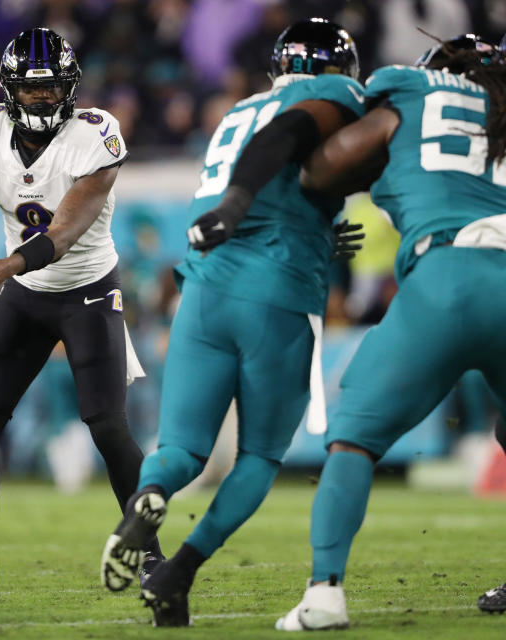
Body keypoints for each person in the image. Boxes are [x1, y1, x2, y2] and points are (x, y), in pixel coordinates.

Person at [99, 18, 367, 627]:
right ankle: (178, 570)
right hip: (274, 290)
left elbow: (280, 175)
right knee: (261, 456)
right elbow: (289, 140)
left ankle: (149, 497)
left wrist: (318, 230)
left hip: (201, 289)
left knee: (181, 448)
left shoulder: (237, 110)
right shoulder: (330, 95)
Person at [274, 35, 506, 630]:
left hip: (447, 274)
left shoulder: (410, 89)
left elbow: (322, 168)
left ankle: (324, 594)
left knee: (353, 433)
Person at [0, 27, 159, 590]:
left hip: (89, 294)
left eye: (52, 87)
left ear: (71, 88)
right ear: (8, 89)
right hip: (27, 300)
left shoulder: (96, 135)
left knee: (107, 426)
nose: (41, 98)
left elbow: (66, 230)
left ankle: (151, 556)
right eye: (31, 89)